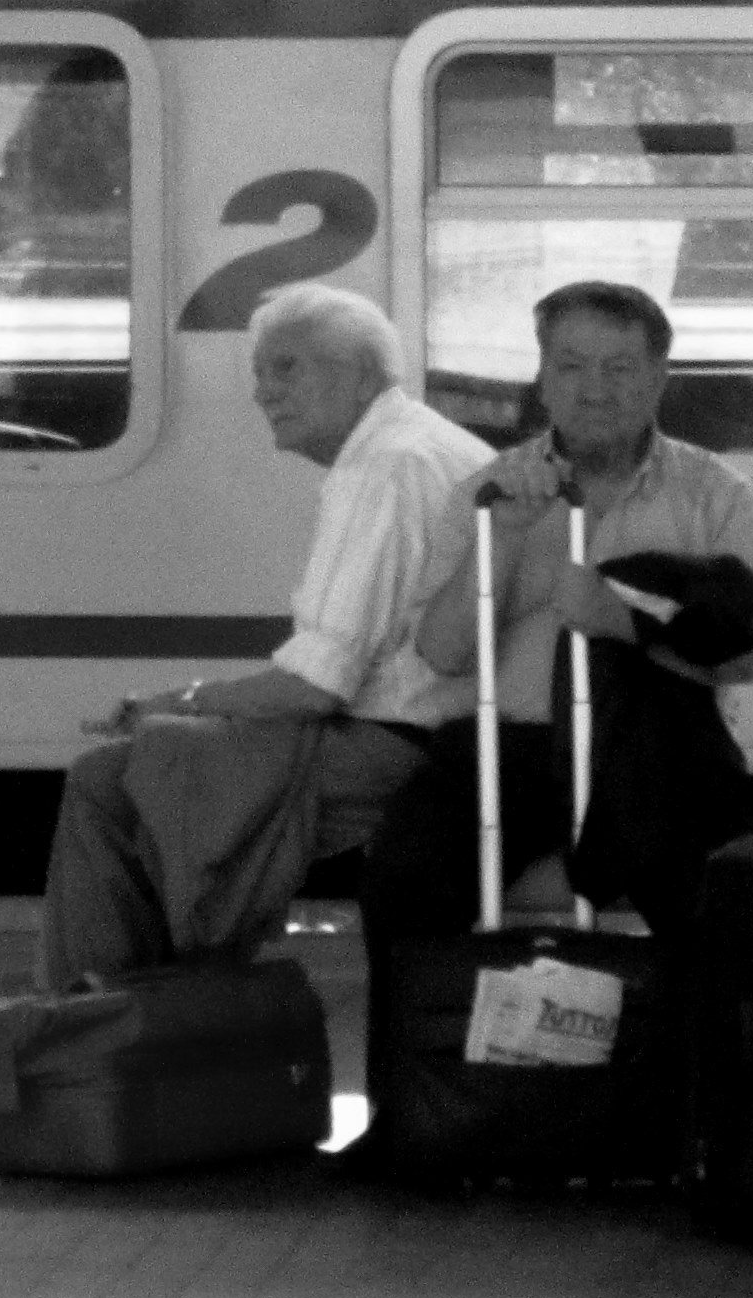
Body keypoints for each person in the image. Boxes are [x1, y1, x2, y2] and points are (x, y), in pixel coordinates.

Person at [30, 284, 486, 990]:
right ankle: (129, 1002)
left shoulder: (386, 466)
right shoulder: (413, 446)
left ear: (361, 376)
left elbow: (315, 687)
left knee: (114, 781)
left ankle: (99, 1014)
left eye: (286, 368)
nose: (263, 393)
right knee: (142, 779)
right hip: (437, 734)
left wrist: (180, 701)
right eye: (259, 373)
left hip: (405, 748)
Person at [395, 281, 753, 954]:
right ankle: (431, 1024)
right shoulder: (487, 491)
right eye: (570, 367)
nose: (594, 390)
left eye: (620, 368)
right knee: (403, 878)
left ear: (658, 379)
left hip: (660, 750)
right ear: (542, 381)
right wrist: (502, 537)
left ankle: (698, 1023)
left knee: (739, 910)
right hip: (508, 748)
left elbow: (751, 656)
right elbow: (442, 652)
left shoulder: (716, 496)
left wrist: (623, 622)